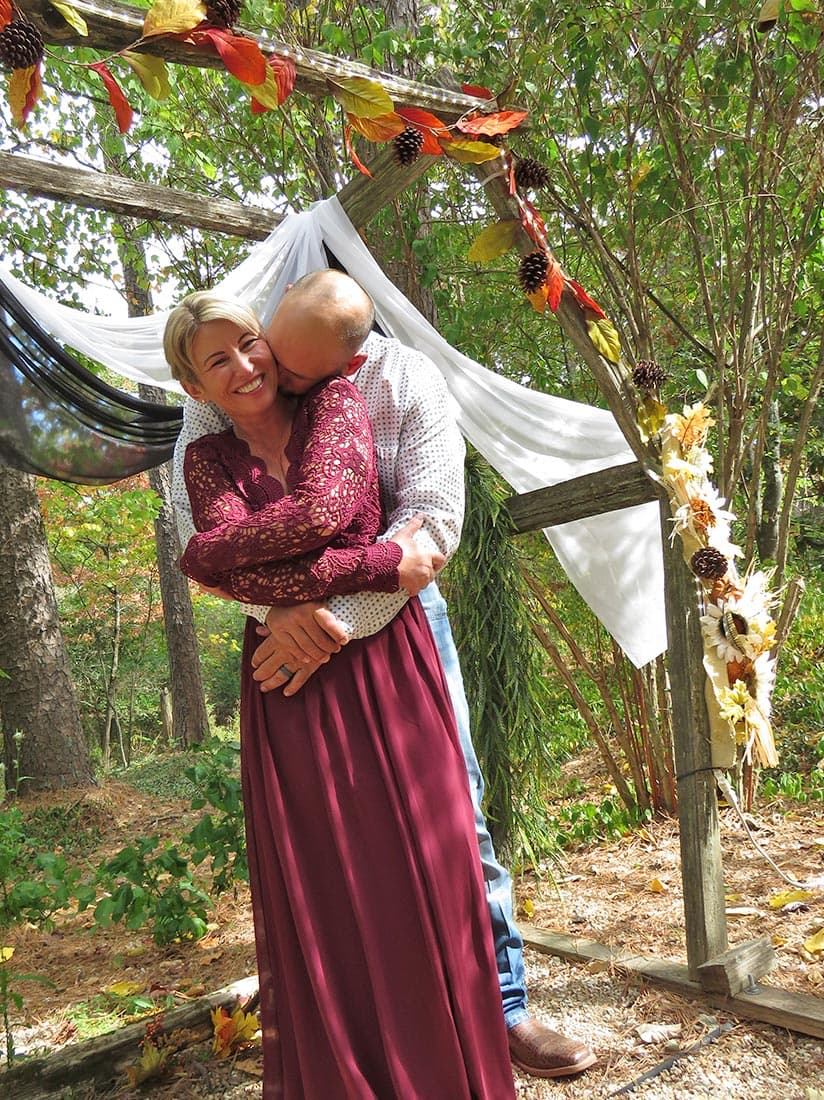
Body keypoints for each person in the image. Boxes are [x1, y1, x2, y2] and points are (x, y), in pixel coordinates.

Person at [172, 269, 596, 1080]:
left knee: (454, 816)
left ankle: (496, 1008)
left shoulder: (406, 381)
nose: (267, 377)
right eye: (264, 352)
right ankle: (359, 1024)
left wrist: (336, 623)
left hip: (394, 619)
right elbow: (203, 540)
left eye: (293, 369)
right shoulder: (225, 377)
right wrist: (281, 618)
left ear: (348, 356)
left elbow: (428, 527)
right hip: (281, 624)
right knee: (324, 838)